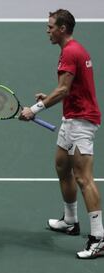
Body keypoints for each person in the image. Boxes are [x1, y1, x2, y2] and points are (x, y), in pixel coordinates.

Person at [20, 9, 104, 259]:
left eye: (50, 27)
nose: (47, 30)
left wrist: (34, 109)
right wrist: (50, 97)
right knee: (61, 167)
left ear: (63, 28)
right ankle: (70, 221)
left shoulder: (70, 52)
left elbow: (64, 90)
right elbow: (68, 89)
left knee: (83, 178)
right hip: (71, 118)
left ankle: (99, 238)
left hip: (82, 123)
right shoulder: (73, 50)